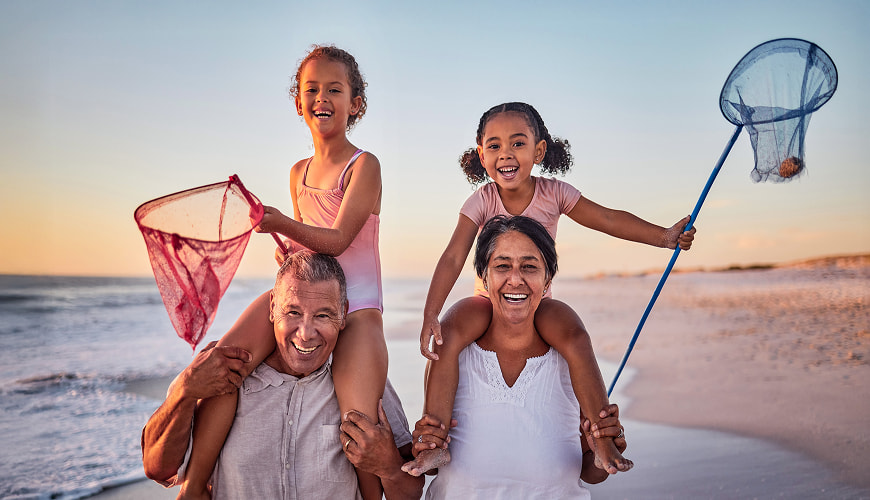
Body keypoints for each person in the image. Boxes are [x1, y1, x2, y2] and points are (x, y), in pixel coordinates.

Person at [404, 102, 695, 476]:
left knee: (573, 334)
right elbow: (452, 256)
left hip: (538, 298)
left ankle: (601, 436)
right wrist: (430, 314)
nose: (505, 154)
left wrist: (662, 237)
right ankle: (433, 443)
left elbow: (606, 218)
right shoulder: (481, 200)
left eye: (517, 143)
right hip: (486, 298)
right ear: (480, 155)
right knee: (448, 333)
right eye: (493, 146)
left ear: (539, 151)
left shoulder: (555, 193)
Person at [179, 45, 390, 498]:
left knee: (360, 423)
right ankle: (195, 486)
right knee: (228, 364)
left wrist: (278, 223)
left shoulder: (364, 165)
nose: (322, 98)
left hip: (359, 310)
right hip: (313, 298)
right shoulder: (298, 172)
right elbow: (309, 245)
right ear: (298, 102)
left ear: (356, 103)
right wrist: (289, 252)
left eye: (335, 89)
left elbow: (335, 241)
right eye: (311, 89)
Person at [142, 251, 423, 500]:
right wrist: (184, 390)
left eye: (323, 316)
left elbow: (409, 493)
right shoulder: (220, 374)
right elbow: (157, 468)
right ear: (272, 307)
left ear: (343, 313)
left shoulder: (364, 382)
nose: (305, 333)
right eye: (293, 312)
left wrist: (389, 469)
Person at [413, 215, 626, 498]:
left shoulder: (569, 357)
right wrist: (426, 442)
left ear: (547, 278)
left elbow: (591, 472)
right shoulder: (457, 351)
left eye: (529, 267)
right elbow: (430, 469)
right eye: (502, 266)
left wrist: (604, 456)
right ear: (485, 278)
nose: (516, 279)